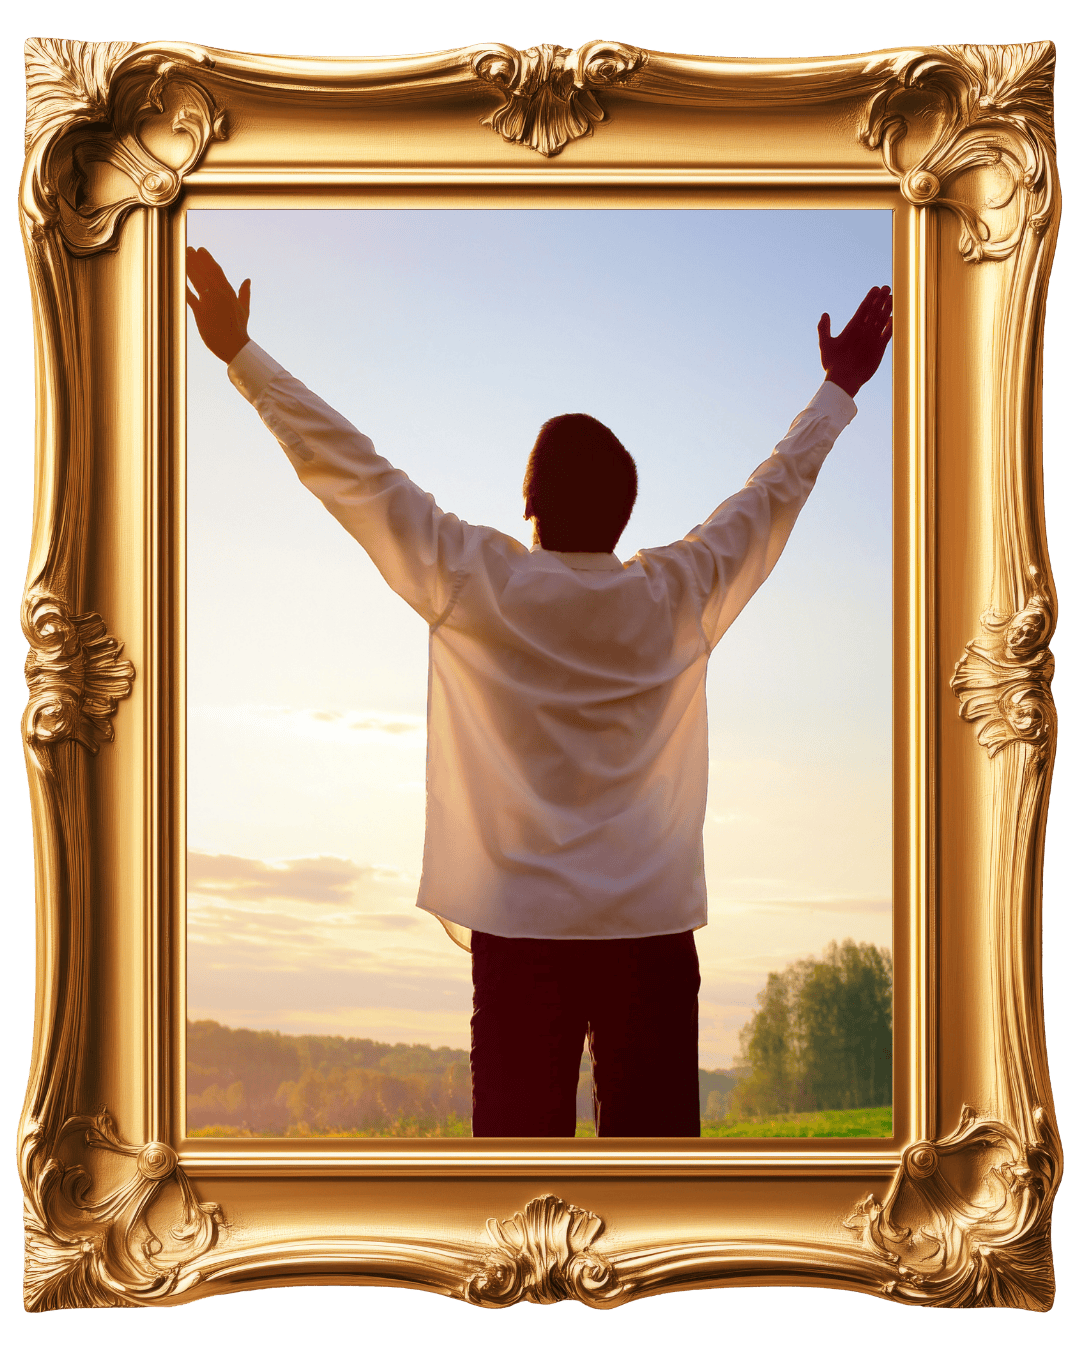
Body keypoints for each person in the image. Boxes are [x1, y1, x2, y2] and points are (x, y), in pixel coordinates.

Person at [186, 247, 892, 1138]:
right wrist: (836, 391)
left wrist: (242, 358)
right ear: (626, 514)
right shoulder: (678, 594)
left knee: (518, 1203)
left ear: (527, 499)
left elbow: (352, 470)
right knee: (659, 1203)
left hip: (519, 945)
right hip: (651, 943)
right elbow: (774, 490)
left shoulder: (474, 580)